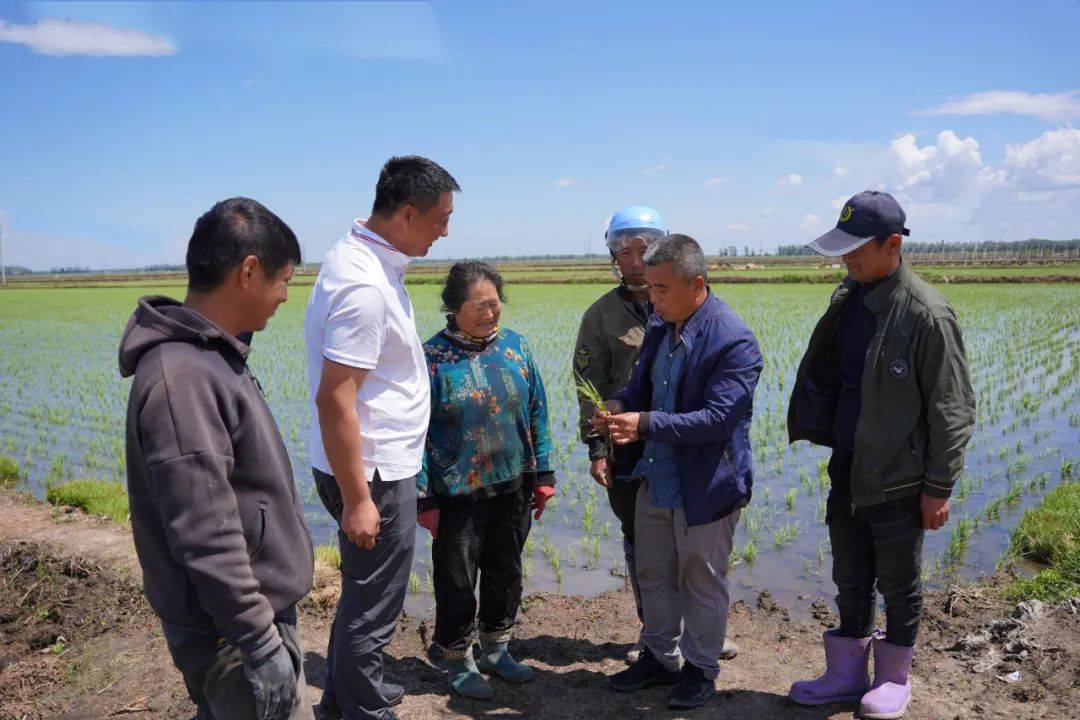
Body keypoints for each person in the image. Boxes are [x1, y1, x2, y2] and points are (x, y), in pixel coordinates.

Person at [120, 197, 314, 720]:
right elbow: (205, 530)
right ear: (249, 271)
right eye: (285, 281)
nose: (285, 297)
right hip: (230, 631)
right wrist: (258, 641)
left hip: (242, 616)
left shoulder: (212, 357)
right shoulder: (182, 379)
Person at [786, 191, 976, 719]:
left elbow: (953, 408)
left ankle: (893, 679)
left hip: (899, 480)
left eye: (856, 250)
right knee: (850, 576)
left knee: (899, 582)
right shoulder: (850, 297)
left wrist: (939, 487)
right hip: (849, 467)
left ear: (893, 244)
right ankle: (846, 674)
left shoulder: (925, 315)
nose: (846, 259)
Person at [304, 156, 460, 720]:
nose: (446, 230)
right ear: (408, 214)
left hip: (373, 465)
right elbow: (335, 398)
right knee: (375, 603)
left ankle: (340, 700)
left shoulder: (368, 261)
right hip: (370, 471)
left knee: (363, 593)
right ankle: (366, 711)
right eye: (441, 218)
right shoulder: (364, 284)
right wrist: (360, 500)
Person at [596, 234, 762, 709]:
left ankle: (701, 668)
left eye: (664, 289)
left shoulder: (733, 340)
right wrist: (620, 405)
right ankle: (658, 656)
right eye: (651, 287)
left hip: (705, 485)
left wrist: (644, 422)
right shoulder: (660, 324)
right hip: (656, 476)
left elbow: (718, 420)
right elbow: (640, 386)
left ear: (697, 284)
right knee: (654, 573)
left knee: (702, 579)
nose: (654, 297)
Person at [415, 261, 556, 699]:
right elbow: (414, 432)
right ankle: (457, 658)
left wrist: (544, 473)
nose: (490, 314)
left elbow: (538, 410)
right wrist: (424, 498)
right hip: (456, 492)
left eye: (495, 305)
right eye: (480, 306)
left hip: (514, 483)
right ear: (454, 308)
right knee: (457, 579)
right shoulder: (431, 358)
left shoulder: (516, 348)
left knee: (506, 569)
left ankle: (496, 649)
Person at [572, 206, 663, 661]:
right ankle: (654, 630)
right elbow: (588, 388)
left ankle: (699, 628)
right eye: (623, 251)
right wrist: (597, 448)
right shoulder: (601, 315)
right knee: (640, 539)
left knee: (691, 539)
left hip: (682, 440)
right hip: (626, 445)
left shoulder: (686, 300)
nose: (633, 259)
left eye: (642, 249)